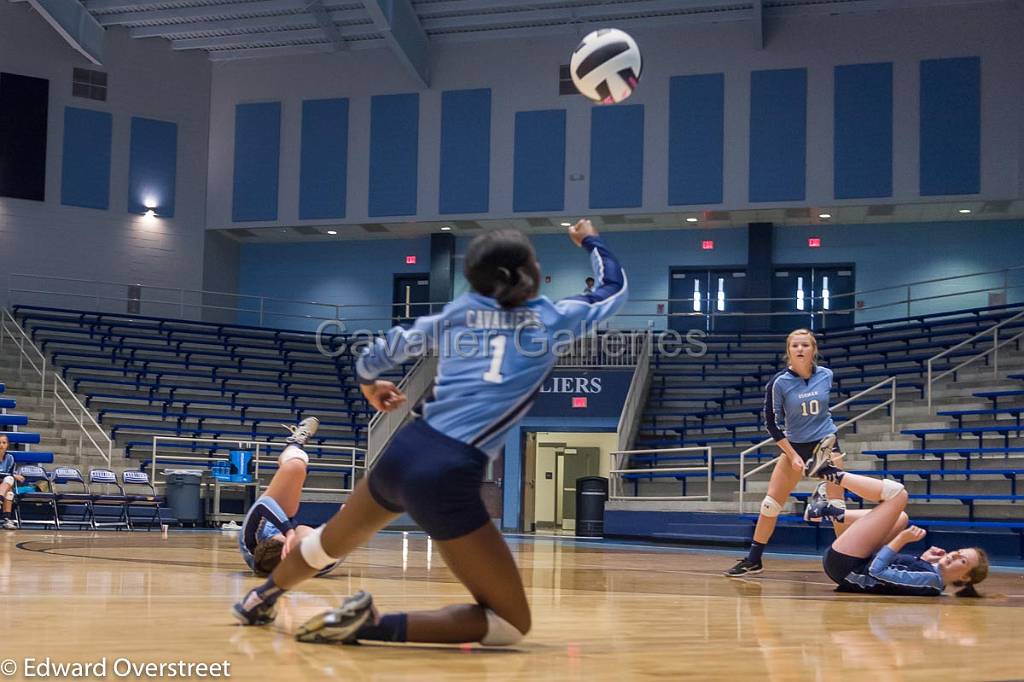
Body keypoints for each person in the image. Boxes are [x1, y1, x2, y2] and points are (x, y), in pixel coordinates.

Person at [233, 219, 627, 647]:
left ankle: (261, 597)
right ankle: (367, 626)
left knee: (328, 543)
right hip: (448, 471)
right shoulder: (554, 318)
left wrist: (370, 385)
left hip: (405, 449)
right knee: (511, 624)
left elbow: (380, 352)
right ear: (528, 275)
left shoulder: (460, 313)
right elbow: (614, 287)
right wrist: (589, 238)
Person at [725, 329, 847, 576]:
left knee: (837, 506)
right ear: (788, 351)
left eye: (805, 345)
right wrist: (792, 455)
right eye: (795, 346)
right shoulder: (778, 383)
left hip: (826, 443)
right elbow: (772, 424)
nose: (800, 349)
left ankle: (847, 560)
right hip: (796, 445)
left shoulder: (826, 375)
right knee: (770, 505)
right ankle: (754, 559)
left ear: (814, 350)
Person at [813, 462, 988, 596]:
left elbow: (877, 571)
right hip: (851, 564)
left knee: (898, 495)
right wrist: (924, 559)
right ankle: (828, 512)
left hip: (846, 568)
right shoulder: (931, 575)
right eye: (958, 552)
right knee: (901, 517)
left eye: (962, 561)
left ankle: (828, 473)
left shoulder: (931, 581)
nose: (955, 555)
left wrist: (901, 540)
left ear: (964, 578)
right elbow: (898, 573)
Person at [238, 417, 338, 577]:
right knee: (319, 538)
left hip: (269, 519)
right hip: (295, 541)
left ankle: (295, 442)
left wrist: (288, 531)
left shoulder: (249, 540)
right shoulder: (311, 564)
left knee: (296, 466)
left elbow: (264, 504)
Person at [0, 434, 25, 530]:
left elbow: (8, 474)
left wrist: (12, 476)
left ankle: (6, 519)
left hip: (4, 484)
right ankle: (6, 518)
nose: (1, 445)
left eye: (4, 443)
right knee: (10, 480)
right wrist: (14, 476)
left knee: (9, 486)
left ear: (7, 445)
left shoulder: (10, 458)